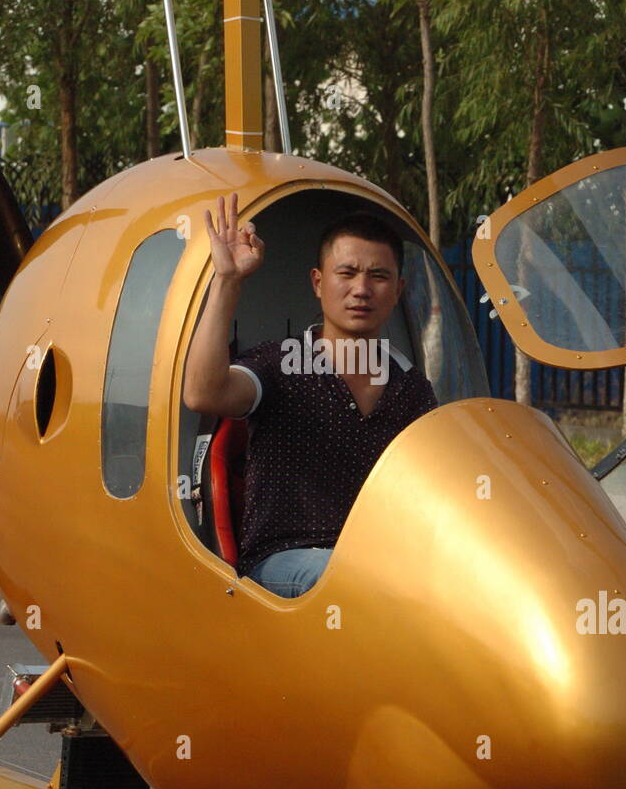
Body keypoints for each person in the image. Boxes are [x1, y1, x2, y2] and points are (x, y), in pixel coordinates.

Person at [182, 192, 438, 597]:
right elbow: (202, 393)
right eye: (347, 273)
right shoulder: (280, 364)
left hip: (383, 566)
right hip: (284, 560)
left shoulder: (412, 390)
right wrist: (227, 280)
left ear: (398, 290)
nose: (361, 289)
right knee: (347, 579)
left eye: (378, 276)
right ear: (318, 283)